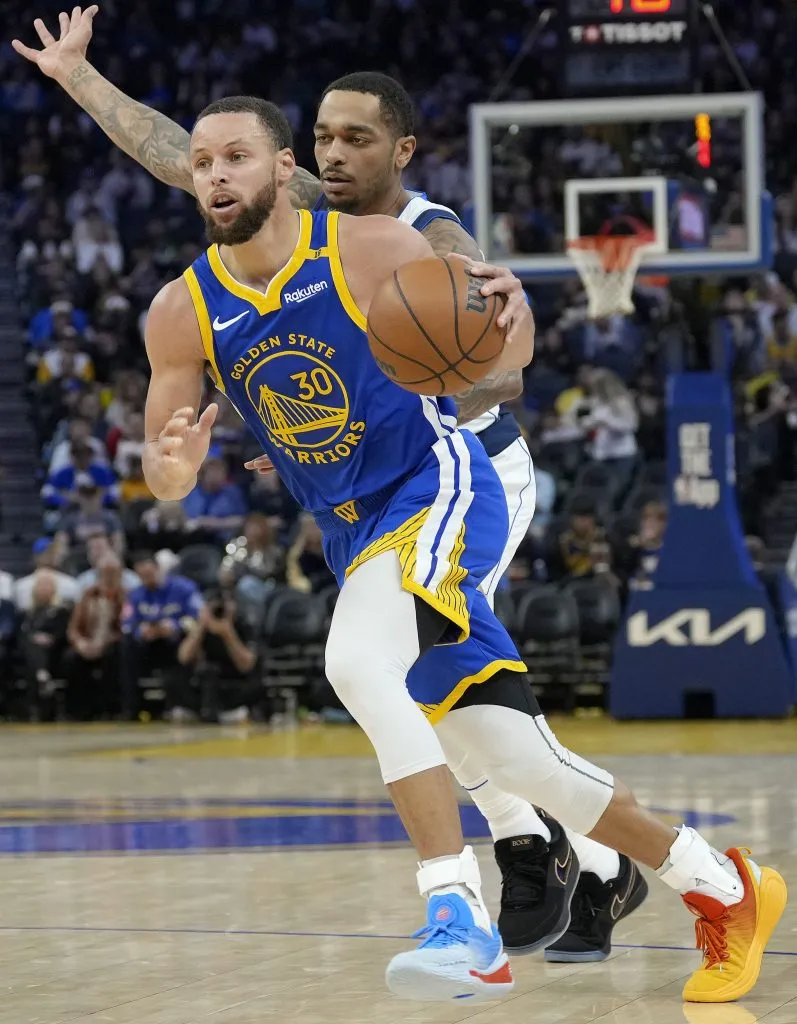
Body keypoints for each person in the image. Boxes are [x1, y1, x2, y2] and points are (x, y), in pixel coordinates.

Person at [14, 17, 788, 1006]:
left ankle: (453, 912)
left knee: (351, 659)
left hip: (439, 488)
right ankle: (725, 887)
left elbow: (502, 345)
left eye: (236, 157)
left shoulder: (380, 244)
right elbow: (164, 483)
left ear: (281, 171)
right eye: (201, 162)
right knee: (518, 762)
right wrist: (176, 467)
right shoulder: (179, 309)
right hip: (350, 533)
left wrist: (503, 323)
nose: (211, 173)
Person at [121, 551, 202, 721]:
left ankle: (183, 704)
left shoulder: (185, 588)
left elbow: (198, 617)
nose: (147, 579)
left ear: (158, 569)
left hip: (177, 642)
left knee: (179, 646)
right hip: (148, 645)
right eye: (142, 576)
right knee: (125, 647)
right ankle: (131, 708)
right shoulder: (135, 595)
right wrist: (141, 631)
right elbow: (127, 623)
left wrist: (175, 627)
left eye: (149, 574)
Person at [177, 588, 262, 724]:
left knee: (257, 682)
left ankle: (228, 711)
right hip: (207, 684)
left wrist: (228, 634)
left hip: (236, 682)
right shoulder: (199, 625)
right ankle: (203, 711)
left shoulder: (244, 624)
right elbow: (184, 658)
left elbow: (247, 665)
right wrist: (201, 628)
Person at [65, 554, 125, 718]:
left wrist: (104, 642)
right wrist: (80, 643)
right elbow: (73, 628)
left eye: (113, 572)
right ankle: (79, 709)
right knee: (71, 658)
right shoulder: (88, 596)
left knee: (114, 655)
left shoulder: (125, 596)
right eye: (105, 572)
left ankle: (109, 707)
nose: (109, 576)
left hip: (111, 643)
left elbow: (126, 627)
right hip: (88, 642)